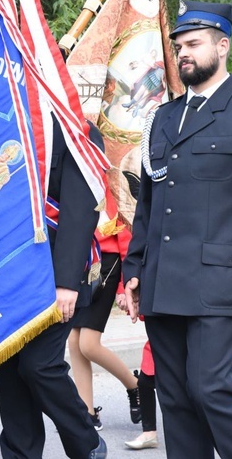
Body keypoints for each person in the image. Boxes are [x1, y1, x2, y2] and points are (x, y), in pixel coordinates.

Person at [122, 0, 232, 459]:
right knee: (174, 399)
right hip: (162, 282)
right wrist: (133, 269)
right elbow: (149, 203)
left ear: (223, 45)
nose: (184, 54)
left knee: (211, 391)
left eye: (194, 44)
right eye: (179, 46)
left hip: (220, 282)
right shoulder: (162, 117)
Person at [0, 114, 107, 459]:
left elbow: (79, 207)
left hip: (57, 276)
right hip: (7, 273)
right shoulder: (5, 119)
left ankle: (86, 443)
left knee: (39, 366)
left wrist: (66, 282)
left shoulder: (75, 127)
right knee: (10, 372)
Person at [67, 181, 140, 431]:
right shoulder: (74, 179)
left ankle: (134, 385)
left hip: (107, 264)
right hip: (81, 263)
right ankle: (87, 413)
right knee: (74, 342)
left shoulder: (107, 180)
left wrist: (123, 287)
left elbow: (125, 234)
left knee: (88, 343)